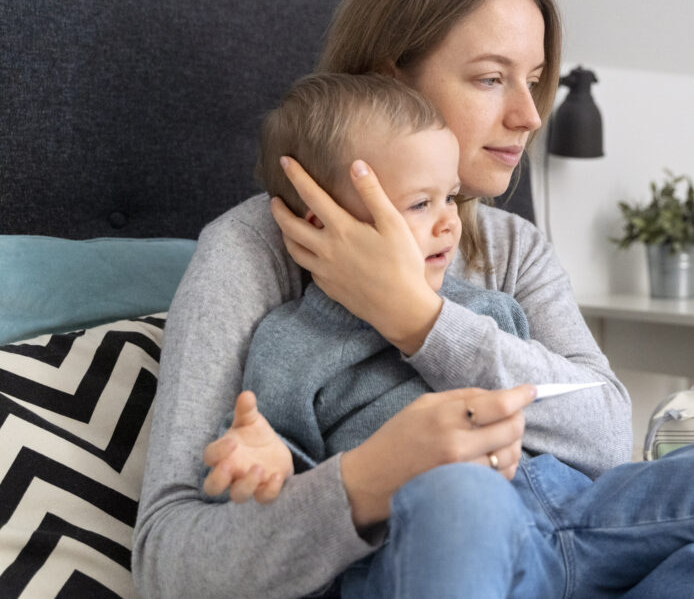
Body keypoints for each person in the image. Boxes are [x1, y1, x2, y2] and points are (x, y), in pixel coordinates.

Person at [133, 0, 694, 598]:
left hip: (587, 534)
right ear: (396, 81)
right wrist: (368, 477)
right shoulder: (256, 255)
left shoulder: (511, 246)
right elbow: (170, 555)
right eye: (492, 78)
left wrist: (418, 318)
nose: (529, 115)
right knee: (459, 495)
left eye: (535, 79)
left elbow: (604, 433)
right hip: (448, 551)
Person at [202, 72, 533, 501]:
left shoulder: (492, 312)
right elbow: (286, 473)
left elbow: (553, 431)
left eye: (450, 197)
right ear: (325, 223)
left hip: (547, 505)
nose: (450, 222)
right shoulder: (291, 346)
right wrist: (270, 464)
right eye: (420, 203)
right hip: (426, 520)